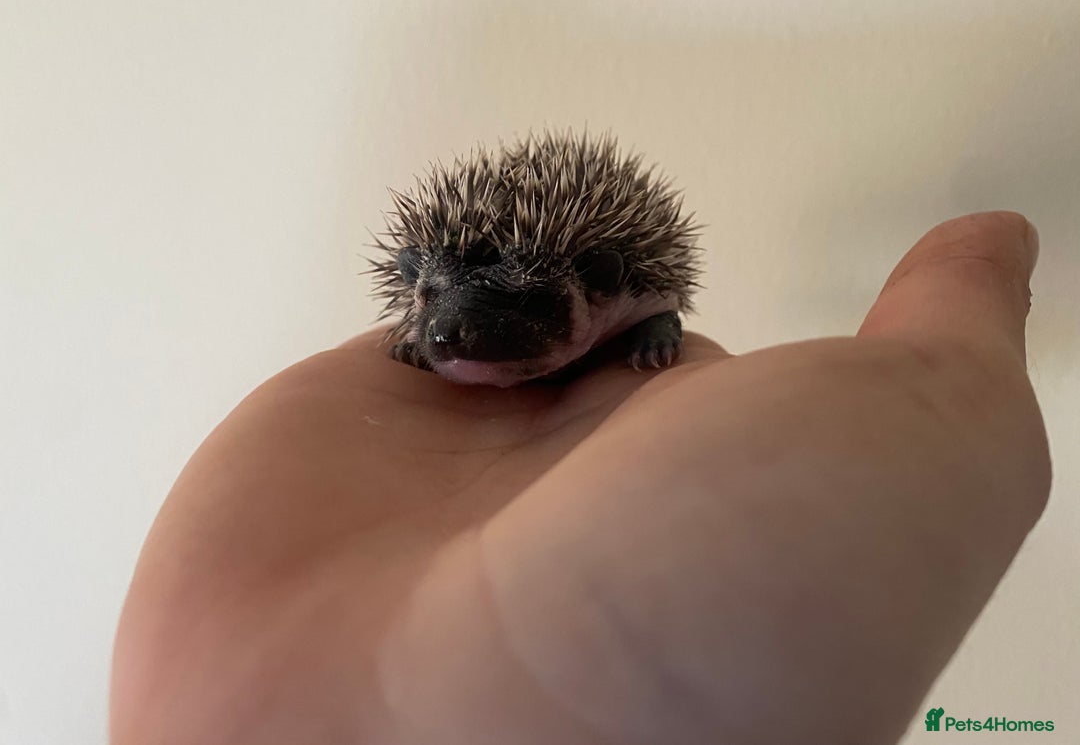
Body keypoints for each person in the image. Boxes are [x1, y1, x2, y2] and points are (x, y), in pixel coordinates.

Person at [110, 211, 1050, 745]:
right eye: (436, 314)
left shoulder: (628, 284)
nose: (448, 343)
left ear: (604, 292)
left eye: (515, 314)